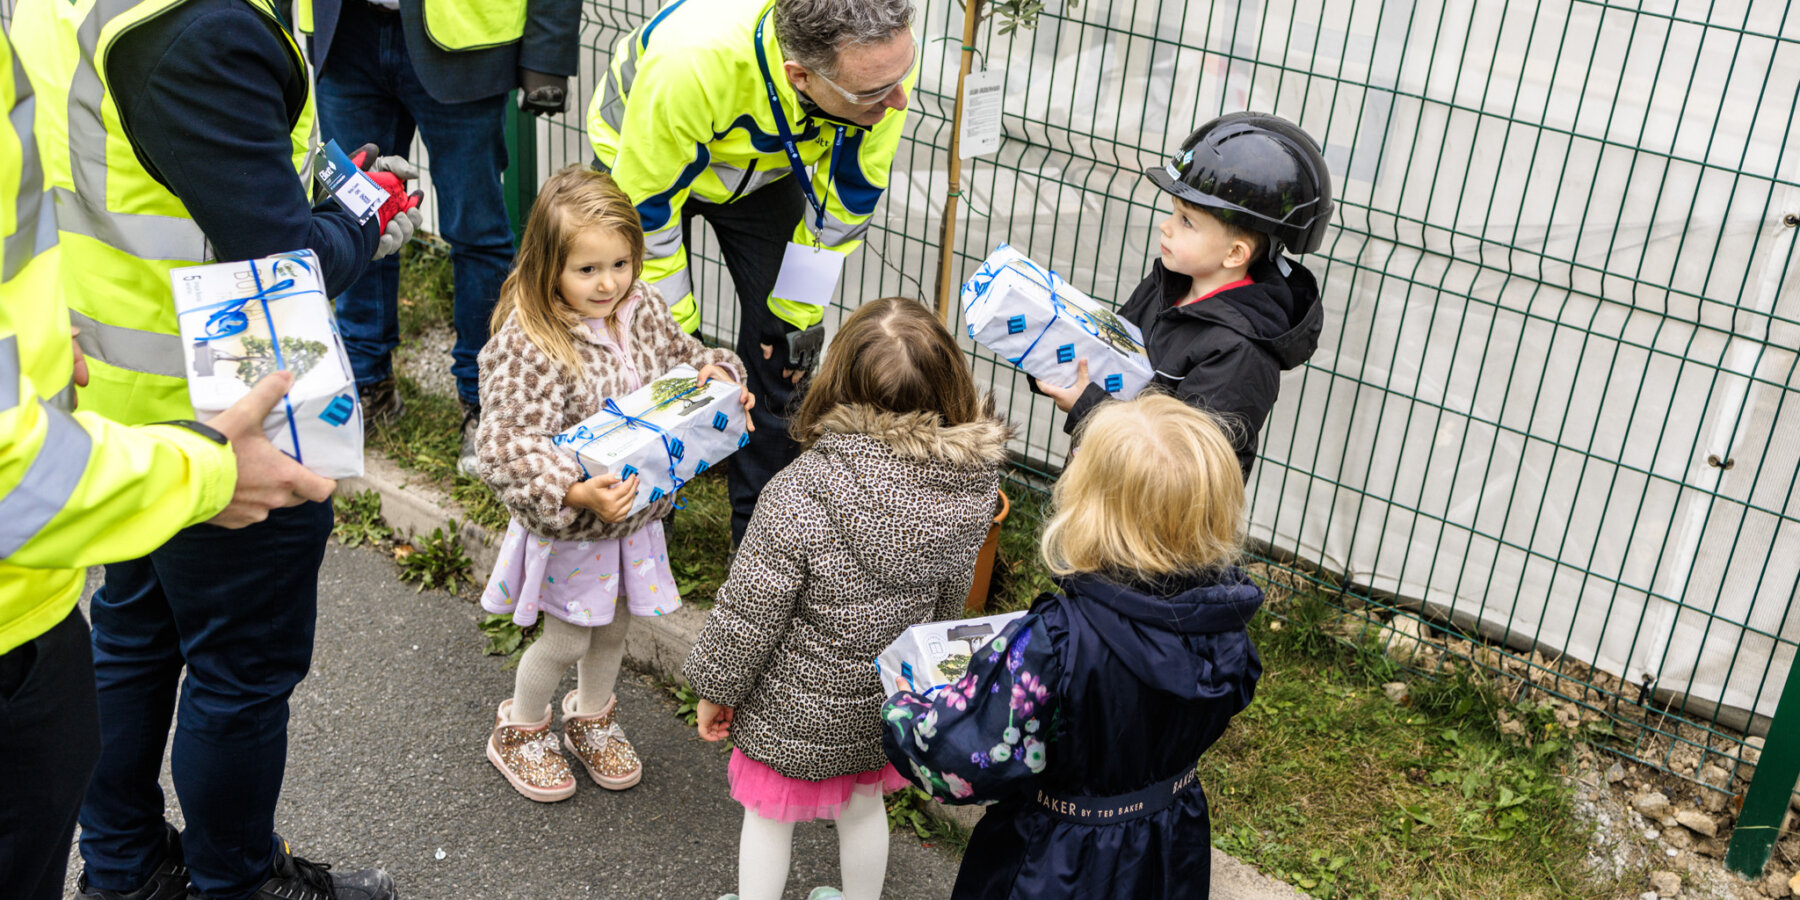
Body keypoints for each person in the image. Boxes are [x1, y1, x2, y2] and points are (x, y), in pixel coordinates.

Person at [11, 0, 417, 896]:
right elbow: (283, 256)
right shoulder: (202, 29)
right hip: (229, 411)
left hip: (108, 386)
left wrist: (300, 181)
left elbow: (180, 168)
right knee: (242, 666)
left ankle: (122, 867)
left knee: (136, 633)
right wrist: (363, 218)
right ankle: (232, 881)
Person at [682, 297, 1009, 900]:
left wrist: (716, 689)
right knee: (863, 808)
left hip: (791, 707)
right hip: (884, 697)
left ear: (836, 381)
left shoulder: (802, 489)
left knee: (769, 815)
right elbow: (949, 598)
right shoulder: (971, 490)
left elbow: (749, 611)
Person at [881, 393, 1266, 899]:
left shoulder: (1057, 642)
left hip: (1056, 861)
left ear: (1091, 506)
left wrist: (906, 708)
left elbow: (958, 760)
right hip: (1166, 842)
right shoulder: (1223, 622)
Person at [587, 0, 917, 545]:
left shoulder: (880, 61)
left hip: (760, 172)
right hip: (643, 163)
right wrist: (680, 349)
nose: (899, 100)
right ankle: (643, 532)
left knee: (784, 351)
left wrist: (789, 321)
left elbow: (842, 206)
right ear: (800, 75)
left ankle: (761, 545)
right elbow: (648, 217)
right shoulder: (691, 63)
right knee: (645, 361)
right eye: (876, 93)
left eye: (902, 76)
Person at [474, 165, 754, 801]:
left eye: (621, 263)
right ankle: (521, 728)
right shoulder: (531, 340)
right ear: (550, 267)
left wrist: (717, 375)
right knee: (569, 633)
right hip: (577, 525)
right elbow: (506, 443)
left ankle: (591, 716)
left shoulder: (642, 307)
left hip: (636, 517)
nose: (609, 284)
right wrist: (572, 491)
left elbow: (685, 359)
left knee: (619, 623)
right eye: (588, 269)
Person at [303, 0, 584, 473]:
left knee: (476, 233)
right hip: (343, 28)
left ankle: (485, 402)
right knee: (353, 216)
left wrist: (548, 54)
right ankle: (367, 384)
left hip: (462, 45)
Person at [1034, 112, 1333, 480]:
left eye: (1187, 221)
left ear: (1235, 254)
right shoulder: (1167, 284)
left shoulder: (1241, 354)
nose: (1166, 225)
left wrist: (1089, 407)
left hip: (1151, 530)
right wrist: (1053, 357)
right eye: (1174, 212)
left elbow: (1182, 472)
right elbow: (1108, 354)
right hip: (1099, 485)